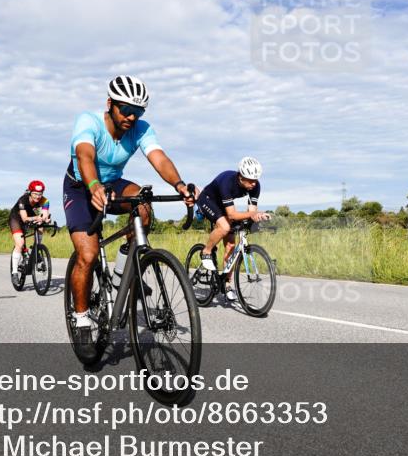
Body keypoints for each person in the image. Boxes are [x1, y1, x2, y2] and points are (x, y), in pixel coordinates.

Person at [64, 75, 196, 350]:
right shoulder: (89, 121)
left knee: (143, 205)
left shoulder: (140, 129)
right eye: (126, 110)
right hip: (81, 186)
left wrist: (180, 185)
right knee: (87, 255)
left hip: (112, 184)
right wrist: (93, 186)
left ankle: (122, 272)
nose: (132, 117)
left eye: (138, 112)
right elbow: (85, 155)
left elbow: (159, 158)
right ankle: (82, 318)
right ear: (110, 104)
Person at [196, 156, 271, 302]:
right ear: (241, 177)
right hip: (208, 200)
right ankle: (206, 251)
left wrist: (257, 217)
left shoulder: (255, 186)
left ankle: (227, 285)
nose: (254, 183)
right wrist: (253, 214)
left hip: (224, 206)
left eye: (256, 180)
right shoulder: (227, 182)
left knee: (231, 245)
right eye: (250, 180)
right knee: (224, 227)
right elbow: (231, 214)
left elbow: (251, 211)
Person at [9, 180, 51, 285]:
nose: (38, 196)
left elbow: (44, 214)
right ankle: (14, 273)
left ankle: (36, 249)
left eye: (40, 194)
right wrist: (37, 217)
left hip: (29, 214)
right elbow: (24, 219)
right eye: (35, 194)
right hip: (16, 218)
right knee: (20, 243)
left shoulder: (45, 201)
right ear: (30, 192)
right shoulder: (23, 200)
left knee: (40, 227)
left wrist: (45, 219)